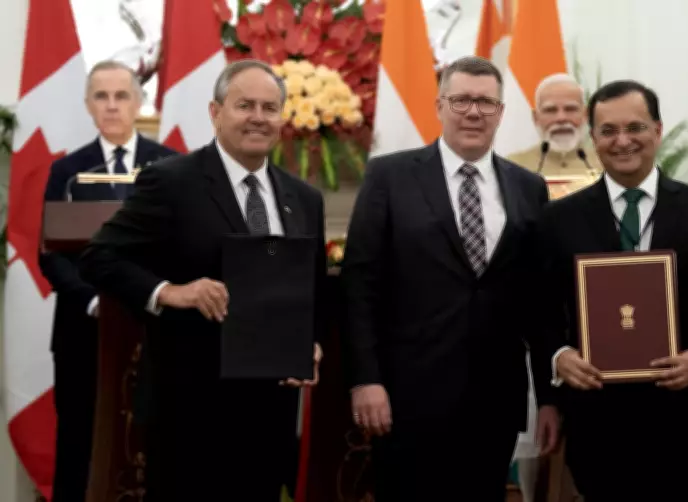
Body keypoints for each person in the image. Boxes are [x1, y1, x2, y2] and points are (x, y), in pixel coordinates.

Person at [78, 59, 326, 501]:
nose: (258, 117)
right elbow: (100, 256)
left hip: (270, 417)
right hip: (189, 414)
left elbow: (312, 289)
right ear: (215, 112)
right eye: (244, 105)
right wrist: (170, 292)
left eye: (269, 108)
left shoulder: (304, 198)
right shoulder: (172, 182)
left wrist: (310, 341)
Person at [340, 55, 560, 502]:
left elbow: (539, 303)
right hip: (404, 397)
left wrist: (550, 398)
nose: (473, 112)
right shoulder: (389, 176)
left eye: (485, 102)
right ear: (439, 106)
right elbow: (359, 286)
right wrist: (366, 379)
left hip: (494, 401)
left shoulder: (529, 188)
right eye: (461, 101)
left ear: (501, 111)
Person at [537, 80, 688, 501]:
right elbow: (540, 314)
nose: (622, 141)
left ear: (657, 130)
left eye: (635, 128)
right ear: (593, 137)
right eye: (608, 131)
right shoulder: (558, 220)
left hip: (680, 421)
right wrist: (559, 356)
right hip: (595, 421)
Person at [38, 59, 176, 502]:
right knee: (78, 440)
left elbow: (184, 246)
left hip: (155, 328)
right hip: (83, 330)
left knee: (155, 439)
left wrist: (152, 296)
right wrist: (93, 301)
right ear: (88, 105)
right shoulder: (67, 171)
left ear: (138, 103)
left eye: (121, 96)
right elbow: (51, 256)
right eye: (101, 96)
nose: (112, 105)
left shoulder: (171, 166)